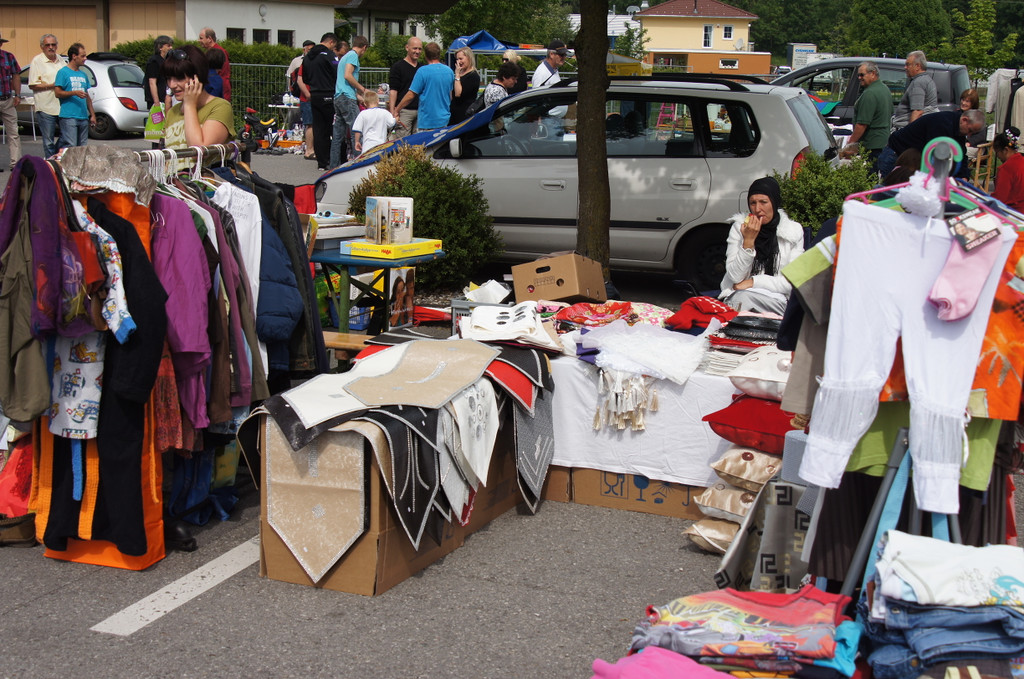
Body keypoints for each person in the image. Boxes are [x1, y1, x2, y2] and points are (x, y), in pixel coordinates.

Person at [719, 177, 804, 314]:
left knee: (742, 299)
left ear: (774, 202)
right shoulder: (740, 228)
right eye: (753, 203)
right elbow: (734, 277)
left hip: (776, 301)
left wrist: (753, 282)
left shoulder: (792, 231)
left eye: (763, 202)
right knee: (740, 299)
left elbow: (792, 282)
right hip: (738, 297)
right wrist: (748, 242)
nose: (757, 209)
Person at [876, 108, 985, 179]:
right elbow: (934, 156)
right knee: (888, 193)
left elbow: (960, 154)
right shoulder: (943, 124)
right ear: (964, 120)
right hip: (896, 153)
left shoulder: (958, 130)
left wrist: (963, 176)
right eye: (970, 130)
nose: (969, 135)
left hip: (911, 158)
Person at [160, 45, 233, 149]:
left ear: (197, 77)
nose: (172, 85)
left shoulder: (220, 107)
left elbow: (199, 151)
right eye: (168, 78)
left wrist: (189, 106)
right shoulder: (173, 112)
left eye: (179, 78)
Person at [841, 61, 892, 170]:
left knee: (870, 175)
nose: (859, 78)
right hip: (883, 142)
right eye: (858, 75)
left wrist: (849, 146)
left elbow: (862, 124)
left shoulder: (870, 94)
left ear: (872, 73)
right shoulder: (884, 89)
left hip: (872, 145)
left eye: (862, 75)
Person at [394, 42, 453, 133]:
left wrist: (397, 109)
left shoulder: (422, 71)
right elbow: (450, 95)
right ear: (439, 54)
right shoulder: (449, 71)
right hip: (444, 118)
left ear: (426, 55)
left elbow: (411, 95)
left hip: (427, 120)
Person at [303, 32, 339, 171]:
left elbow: (305, 78)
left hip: (314, 95)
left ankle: (321, 162)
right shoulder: (329, 55)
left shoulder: (308, 57)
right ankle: (332, 159)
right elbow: (336, 72)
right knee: (332, 128)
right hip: (328, 93)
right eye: (334, 46)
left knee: (318, 129)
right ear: (331, 42)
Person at [331, 35, 368, 168]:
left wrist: (359, 97)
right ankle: (359, 164)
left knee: (338, 135)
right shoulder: (353, 56)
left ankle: (334, 166)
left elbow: (343, 83)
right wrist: (363, 90)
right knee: (356, 132)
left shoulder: (344, 57)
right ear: (364, 47)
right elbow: (348, 75)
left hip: (339, 97)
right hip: (347, 98)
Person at [29, 34, 65, 158]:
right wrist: (52, 85)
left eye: (53, 44)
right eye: (47, 45)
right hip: (45, 107)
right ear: (42, 47)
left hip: (61, 106)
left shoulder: (61, 60)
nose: (51, 47)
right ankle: (50, 164)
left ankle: (54, 157)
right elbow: (33, 85)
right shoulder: (37, 61)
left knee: (66, 135)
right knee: (48, 140)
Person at [54, 43, 96, 149]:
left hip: (83, 116)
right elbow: (57, 93)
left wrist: (92, 115)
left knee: (82, 148)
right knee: (71, 146)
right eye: (82, 56)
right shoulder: (63, 72)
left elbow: (87, 96)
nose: (85, 58)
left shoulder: (83, 74)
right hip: (68, 116)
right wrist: (74, 93)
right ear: (74, 56)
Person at [891, 50, 937, 130]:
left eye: (908, 64)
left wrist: (909, 133)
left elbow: (917, 112)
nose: (905, 67)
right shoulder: (926, 79)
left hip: (905, 128)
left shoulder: (918, 83)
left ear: (918, 66)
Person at [388, 37, 421, 140]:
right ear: (407, 48)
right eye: (414, 48)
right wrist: (393, 112)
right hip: (404, 111)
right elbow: (393, 90)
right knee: (402, 142)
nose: (417, 51)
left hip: (420, 111)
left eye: (419, 49)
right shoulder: (397, 67)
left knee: (418, 142)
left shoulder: (422, 68)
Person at [0, 31, 21, 170]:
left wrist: (17, 95)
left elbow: (16, 75)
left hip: (7, 99)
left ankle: (16, 164)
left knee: (13, 132)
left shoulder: (9, 56)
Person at [352, 90, 394, 156]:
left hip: (367, 145)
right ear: (378, 101)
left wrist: (357, 141)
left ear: (365, 103)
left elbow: (357, 129)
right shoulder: (384, 112)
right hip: (381, 144)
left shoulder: (362, 114)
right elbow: (391, 123)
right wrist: (396, 119)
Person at [992, 127, 1024, 212]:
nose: (998, 157)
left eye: (997, 152)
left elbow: (999, 199)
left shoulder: (1006, 168)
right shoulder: (1021, 160)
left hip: (1016, 213)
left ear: (1005, 150)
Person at [449, 47, 481, 125]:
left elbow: (458, 93)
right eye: (457, 59)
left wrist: (457, 75)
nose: (458, 62)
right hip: (454, 114)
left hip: (464, 115)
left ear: (469, 58)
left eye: (461, 59)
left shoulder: (473, 76)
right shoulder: (460, 74)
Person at [198, 27, 230, 100]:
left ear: (209, 38)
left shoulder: (219, 52)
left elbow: (223, 73)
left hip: (217, 89)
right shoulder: (209, 52)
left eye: (201, 38)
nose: (199, 40)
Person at [145, 36, 173, 112]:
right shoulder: (154, 62)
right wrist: (156, 102)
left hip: (165, 98)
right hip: (158, 100)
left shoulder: (165, 60)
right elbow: (152, 82)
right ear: (160, 47)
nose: (171, 48)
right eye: (168, 46)